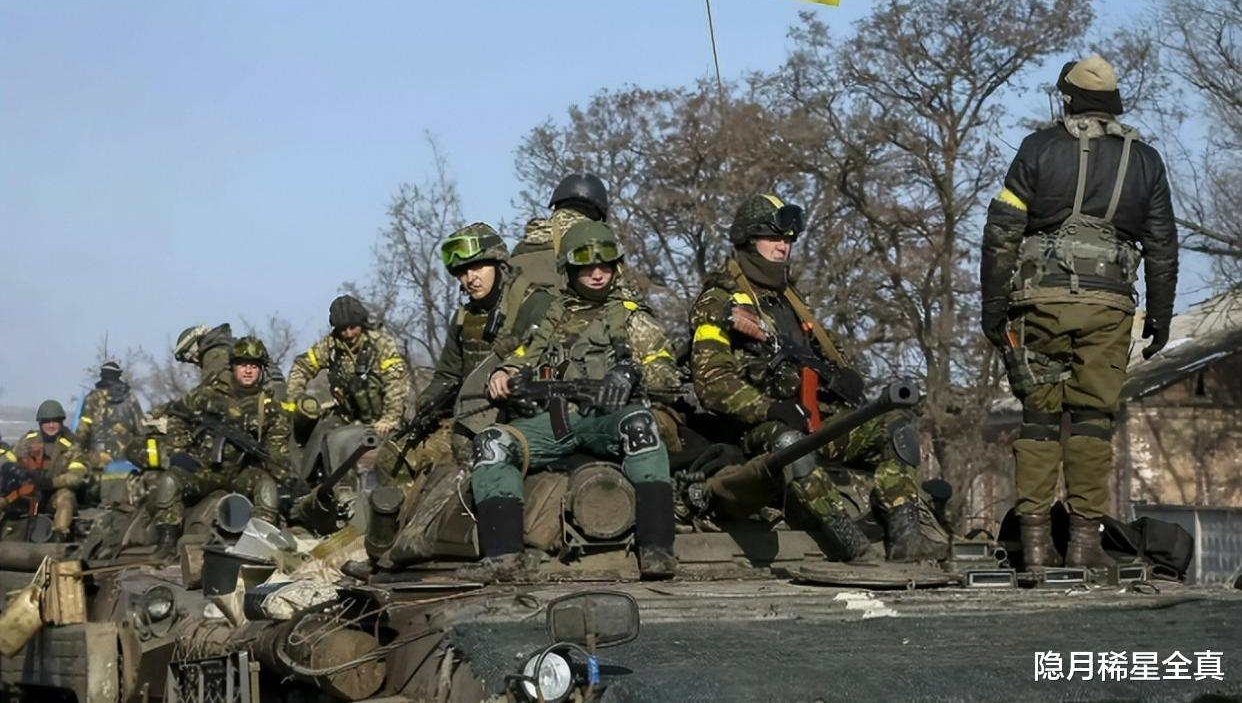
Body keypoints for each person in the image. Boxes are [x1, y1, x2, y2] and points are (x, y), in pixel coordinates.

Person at [981, 55, 1179, 570]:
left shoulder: (1037, 148)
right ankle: (1086, 544)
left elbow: (1002, 230)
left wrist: (993, 305)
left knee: (1039, 419)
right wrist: (1160, 315)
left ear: (1068, 99)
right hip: (1108, 307)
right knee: (1092, 420)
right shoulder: (1145, 161)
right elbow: (1162, 244)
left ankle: (1035, 544)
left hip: (1039, 304)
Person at [689, 194, 935, 562]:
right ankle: (848, 541)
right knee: (791, 444)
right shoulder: (720, 301)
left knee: (895, 426)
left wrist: (844, 377)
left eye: (788, 239)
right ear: (748, 240)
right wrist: (769, 408)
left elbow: (829, 354)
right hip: (757, 432)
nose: (783, 246)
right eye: (773, 238)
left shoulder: (791, 300)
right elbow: (712, 383)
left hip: (816, 419)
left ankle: (906, 538)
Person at [470, 220, 679, 581]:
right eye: (586, 266)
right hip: (555, 420)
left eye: (605, 265)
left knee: (640, 427)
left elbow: (667, 373)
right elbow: (521, 356)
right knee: (492, 443)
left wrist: (630, 374)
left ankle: (656, 549)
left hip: (608, 418)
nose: (597, 274)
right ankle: (503, 557)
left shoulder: (631, 317)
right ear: (569, 268)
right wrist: (504, 374)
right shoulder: (551, 317)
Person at [377, 223, 552, 488]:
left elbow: (542, 355)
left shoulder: (535, 303)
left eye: (478, 267)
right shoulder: (464, 317)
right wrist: (427, 403)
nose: (470, 278)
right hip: (470, 417)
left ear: (499, 264)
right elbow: (447, 375)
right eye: (462, 272)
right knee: (392, 458)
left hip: (521, 416)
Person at [144, 336, 293, 559]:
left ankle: (259, 547)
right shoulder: (208, 394)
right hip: (203, 470)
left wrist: (282, 476)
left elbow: (276, 449)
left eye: (254, 366)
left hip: (241, 473)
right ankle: (167, 543)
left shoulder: (269, 407)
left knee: (267, 488)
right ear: (233, 366)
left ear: (261, 370)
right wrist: (179, 450)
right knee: (169, 481)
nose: (248, 371)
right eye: (243, 365)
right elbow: (177, 415)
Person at [285, 295, 412, 438]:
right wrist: (294, 400)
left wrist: (389, 419)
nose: (349, 334)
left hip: (382, 418)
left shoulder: (381, 344)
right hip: (347, 418)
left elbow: (395, 383)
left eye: (353, 327)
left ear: (361, 324)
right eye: (343, 329)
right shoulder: (330, 345)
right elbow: (302, 366)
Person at [9, 401, 89, 542]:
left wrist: (50, 483)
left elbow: (77, 476)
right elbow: (11, 462)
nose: (51, 425)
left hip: (53, 495)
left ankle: (58, 537)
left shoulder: (71, 445)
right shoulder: (27, 441)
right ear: (40, 423)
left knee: (66, 496)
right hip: (27, 494)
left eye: (55, 421)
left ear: (61, 422)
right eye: (47, 421)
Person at [76, 360, 145, 470]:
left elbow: (82, 432)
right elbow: (142, 431)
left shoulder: (91, 399)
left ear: (102, 375)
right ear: (118, 375)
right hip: (127, 461)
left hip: (98, 462)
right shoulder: (130, 399)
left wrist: (78, 457)